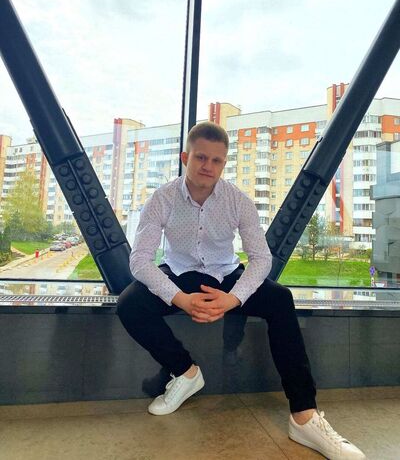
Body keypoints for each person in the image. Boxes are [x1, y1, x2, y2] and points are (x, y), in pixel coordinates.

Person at [117, 121, 365, 460]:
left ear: (224, 163)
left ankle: (304, 416)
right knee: (130, 304)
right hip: (180, 274)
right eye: (200, 157)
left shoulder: (238, 201)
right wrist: (180, 299)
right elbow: (139, 261)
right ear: (185, 158)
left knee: (280, 299)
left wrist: (233, 299)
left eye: (216, 160)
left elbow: (262, 259)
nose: (208, 166)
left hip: (225, 275)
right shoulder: (162, 199)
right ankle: (186, 372)